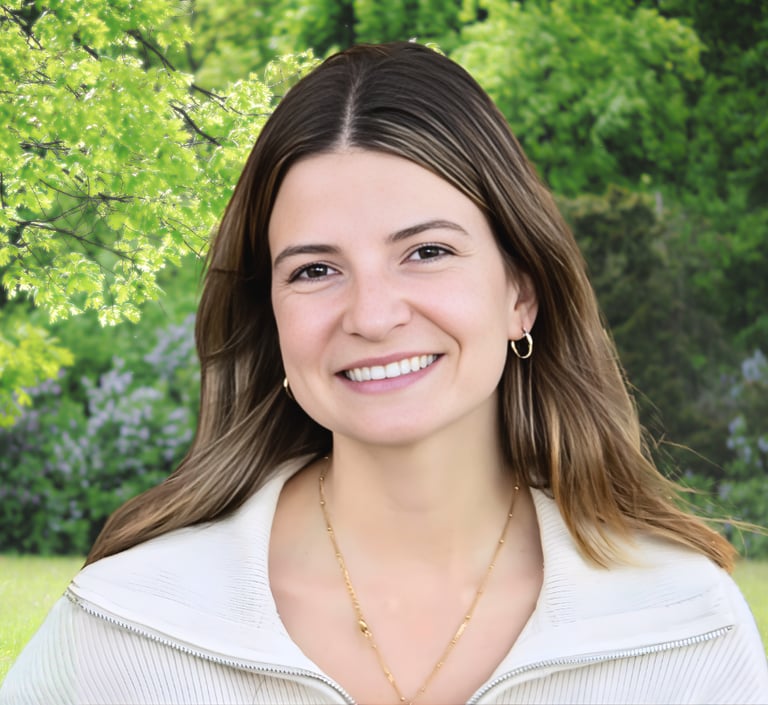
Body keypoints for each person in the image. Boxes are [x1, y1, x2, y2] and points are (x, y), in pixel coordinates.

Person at [1, 41, 766, 705]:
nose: (371, 313)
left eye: (427, 252)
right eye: (314, 270)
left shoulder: (683, 628)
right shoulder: (131, 623)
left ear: (520, 292)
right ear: (271, 315)